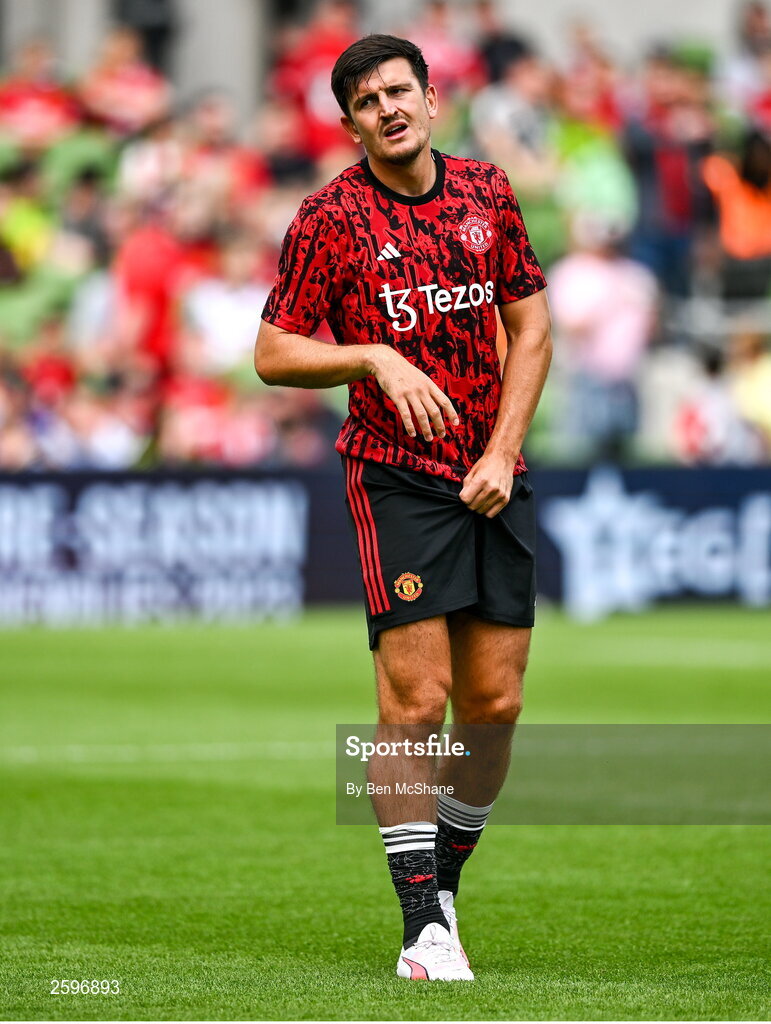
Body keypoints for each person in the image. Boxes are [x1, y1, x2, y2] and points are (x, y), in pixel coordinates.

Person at [255, 34, 551, 982]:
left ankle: (442, 888)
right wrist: (373, 357)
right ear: (350, 124)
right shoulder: (329, 217)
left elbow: (531, 325)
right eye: (365, 100)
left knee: (494, 707)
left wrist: (502, 448)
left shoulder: (487, 192)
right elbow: (272, 352)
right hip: (394, 474)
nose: (385, 107)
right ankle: (422, 926)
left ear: (430, 98)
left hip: (489, 473)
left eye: (397, 90)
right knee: (416, 703)